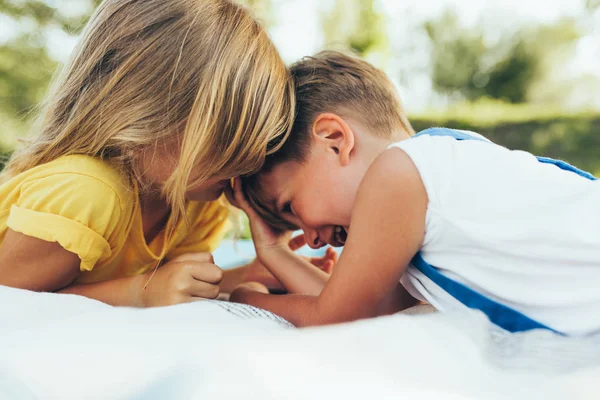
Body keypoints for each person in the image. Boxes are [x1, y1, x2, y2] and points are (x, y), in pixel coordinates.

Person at [229, 51, 600, 336]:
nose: (309, 236)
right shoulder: (432, 176)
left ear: (334, 140)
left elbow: (336, 316)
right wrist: (275, 253)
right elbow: (369, 310)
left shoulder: (398, 173)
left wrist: (250, 299)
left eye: (291, 206)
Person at [0, 0, 338, 307]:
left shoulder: (194, 201)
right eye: (226, 139)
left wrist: (248, 276)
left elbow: (169, 286)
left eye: (255, 143)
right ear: (147, 110)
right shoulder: (85, 195)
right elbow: (12, 301)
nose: (248, 162)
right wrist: (139, 293)